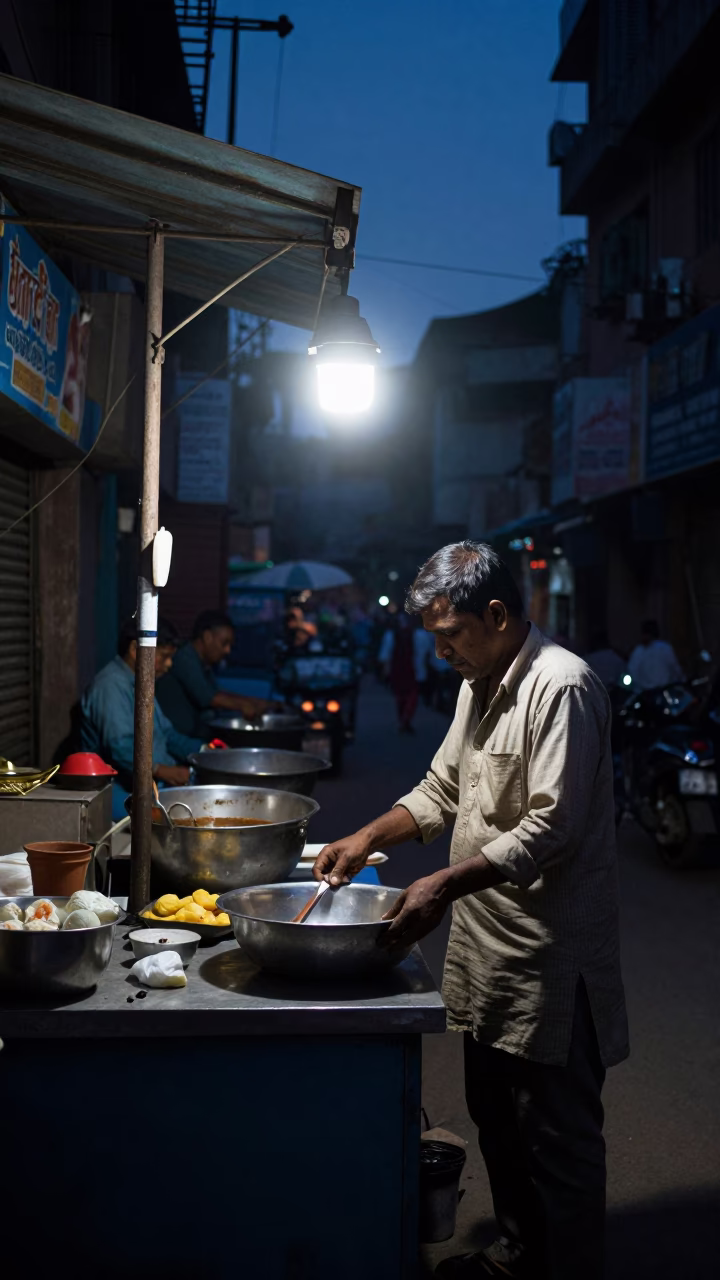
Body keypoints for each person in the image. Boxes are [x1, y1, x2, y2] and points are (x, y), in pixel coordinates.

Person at [313, 541, 628, 1280]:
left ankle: (568, 1268)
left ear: (495, 613)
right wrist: (366, 835)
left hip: (548, 963)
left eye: (449, 635)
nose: (443, 651)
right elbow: (440, 789)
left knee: (561, 1140)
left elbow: (552, 828)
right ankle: (522, 1253)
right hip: (486, 953)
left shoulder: (564, 688)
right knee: (498, 1122)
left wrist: (442, 884)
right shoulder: (477, 683)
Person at [81, 618, 202, 819]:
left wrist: (204, 753)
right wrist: (163, 771)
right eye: (164, 656)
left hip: (151, 785)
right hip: (117, 792)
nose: (170, 664)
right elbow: (120, 747)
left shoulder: (140, 683)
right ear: (135, 649)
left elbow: (168, 734)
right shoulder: (110, 686)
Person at [155, 610, 273, 737]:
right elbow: (208, 697)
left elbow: (217, 693)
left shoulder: (204, 663)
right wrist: (244, 705)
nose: (227, 651)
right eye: (224, 643)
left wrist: (255, 703)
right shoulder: (185, 657)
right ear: (207, 637)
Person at [378, 613, 419, 733]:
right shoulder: (392, 635)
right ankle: (404, 720)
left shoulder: (414, 635)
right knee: (403, 696)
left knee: (408, 696)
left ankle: (404, 719)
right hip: (401, 669)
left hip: (406, 669)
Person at [627, 618, 684, 691]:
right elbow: (676, 669)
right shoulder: (640, 650)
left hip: (663, 692)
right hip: (647, 693)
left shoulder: (664, 648)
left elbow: (675, 669)